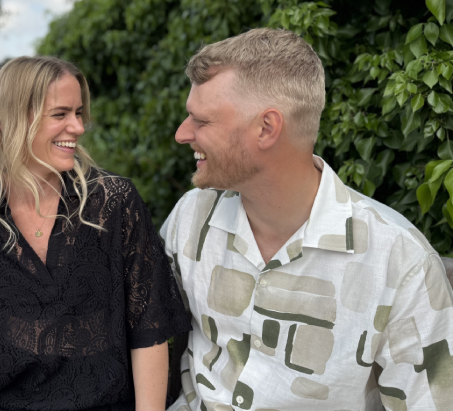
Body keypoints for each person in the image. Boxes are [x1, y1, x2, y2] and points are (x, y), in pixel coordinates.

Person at [161, 28, 453, 411]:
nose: (182, 134)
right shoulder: (192, 216)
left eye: (202, 121)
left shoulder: (399, 262)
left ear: (267, 128)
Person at [0, 56, 191, 411]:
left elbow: (149, 329)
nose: (78, 127)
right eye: (60, 114)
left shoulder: (114, 204)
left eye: (79, 113)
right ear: (14, 120)